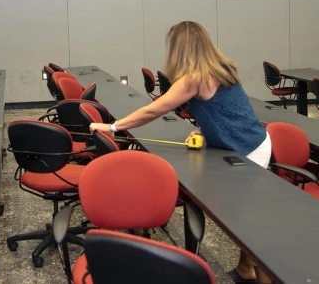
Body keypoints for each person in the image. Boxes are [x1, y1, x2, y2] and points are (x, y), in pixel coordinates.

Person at [89, 21, 271, 284]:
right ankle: (246, 269)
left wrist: (113, 127)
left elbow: (154, 110)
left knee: (247, 224)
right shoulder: (220, 68)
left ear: (180, 48)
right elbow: (224, 109)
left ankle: (264, 277)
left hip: (248, 149)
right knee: (245, 217)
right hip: (253, 141)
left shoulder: (194, 78)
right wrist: (204, 128)